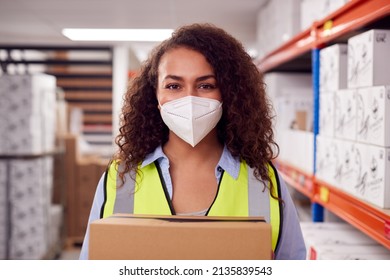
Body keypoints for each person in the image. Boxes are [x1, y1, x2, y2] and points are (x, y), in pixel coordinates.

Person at [79, 23, 306, 260]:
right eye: (174, 86)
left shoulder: (265, 180)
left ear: (228, 94)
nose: (189, 98)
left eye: (206, 85)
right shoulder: (119, 178)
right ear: (155, 96)